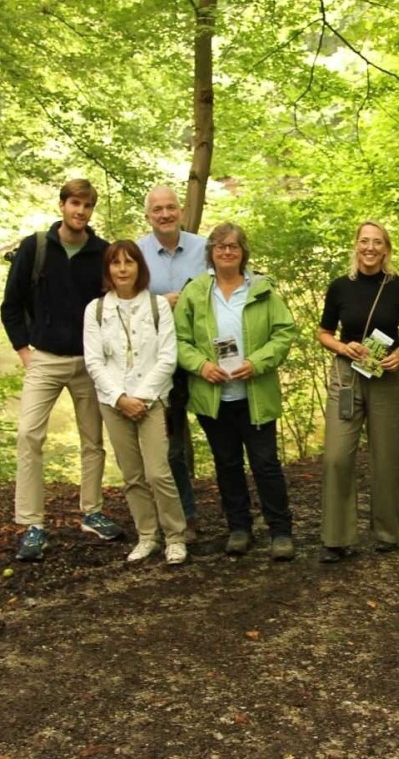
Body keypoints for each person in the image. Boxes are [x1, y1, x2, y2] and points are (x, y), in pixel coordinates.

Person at [0, 178, 117, 562]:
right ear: (62, 205)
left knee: (92, 441)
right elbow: (11, 305)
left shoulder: (102, 253)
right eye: (74, 204)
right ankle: (33, 524)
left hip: (89, 362)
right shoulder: (35, 248)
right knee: (28, 436)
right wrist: (23, 350)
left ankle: (92, 512)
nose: (80, 212)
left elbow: (115, 306)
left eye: (86, 206)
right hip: (44, 358)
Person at [175, 223, 299, 561]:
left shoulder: (262, 290)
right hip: (213, 397)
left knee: (266, 464)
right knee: (227, 464)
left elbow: (284, 332)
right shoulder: (196, 292)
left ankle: (280, 531)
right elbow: (180, 340)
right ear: (211, 252)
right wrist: (201, 366)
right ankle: (239, 528)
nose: (227, 252)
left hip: (255, 394)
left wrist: (257, 362)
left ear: (243, 252)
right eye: (220, 247)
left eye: (233, 246)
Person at [316, 220, 399, 563]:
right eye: (364, 241)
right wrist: (342, 348)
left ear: (386, 249)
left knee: (388, 457)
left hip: (387, 376)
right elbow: (324, 333)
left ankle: (387, 533)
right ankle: (337, 537)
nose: (370, 248)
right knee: (336, 456)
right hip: (347, 376)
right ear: (356, 246)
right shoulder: (339, 287)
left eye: (377, 242)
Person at [83, 240, 190, 565]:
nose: (123, 269)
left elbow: (168, 357)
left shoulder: (158, 307)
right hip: (112, 402)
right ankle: (147, 536)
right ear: (108, 270)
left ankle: (175, 536)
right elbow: (94, 361)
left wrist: (141, 397)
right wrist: (120, 398)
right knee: (132, 475)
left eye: (129, 263)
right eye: (116, 264)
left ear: (140, 268)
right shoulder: (96, 310)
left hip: (152, 401)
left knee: (158, 472)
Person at [137, 187, 207, 539]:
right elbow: (126, 305)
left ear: (180, 211)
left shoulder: (204, 248)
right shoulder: (135, 253)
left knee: (223, 435)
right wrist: (161, 302)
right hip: (161, 360)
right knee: (172, 442)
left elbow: (229, 287)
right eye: (157, 210)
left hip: (205, 357)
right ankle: (185, 516)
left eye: (170, 208)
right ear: (148, 216)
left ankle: (240, 517)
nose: (164, 214)